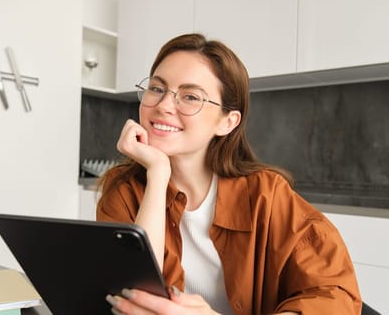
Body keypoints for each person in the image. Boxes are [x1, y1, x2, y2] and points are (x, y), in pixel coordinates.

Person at [97, 33, 361, 315]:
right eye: (157, 88)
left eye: (190, 96)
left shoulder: (266, 195)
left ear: (227, 122)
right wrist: (158, 173)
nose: (163, 105)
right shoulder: (125, 190)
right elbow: (131, 296)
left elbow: (334, 294)